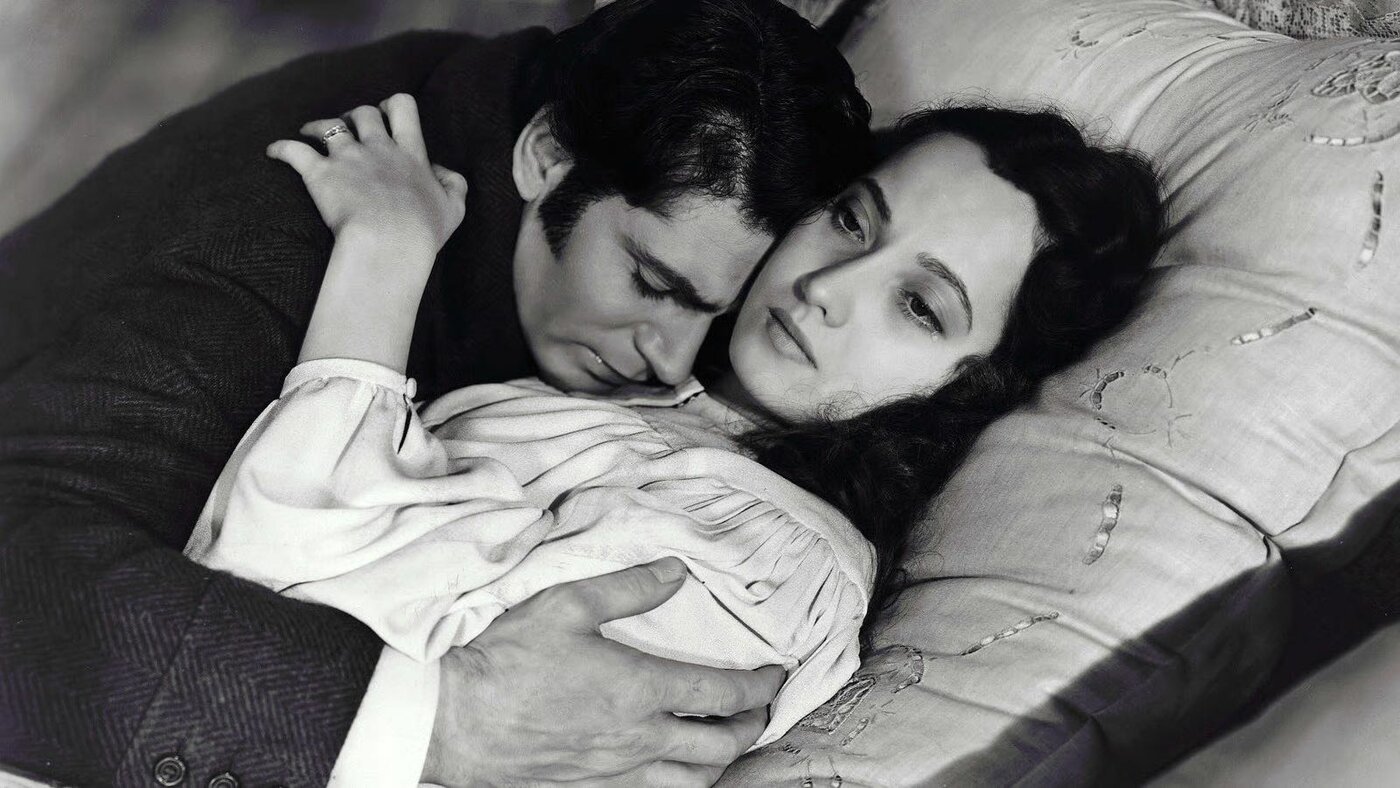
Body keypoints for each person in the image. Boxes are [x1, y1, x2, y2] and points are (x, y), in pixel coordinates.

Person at [0, 2, 870, 786]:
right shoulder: (287, 230)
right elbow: (22, 591)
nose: (672, 361)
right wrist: (442, 719)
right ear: (546, 156)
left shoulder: (524, 111)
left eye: (715, 318)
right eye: (651, 282)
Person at [187, 97, 1164, 786]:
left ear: (971, 387)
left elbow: (268, 578)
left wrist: (385, 251)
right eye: (849, 220)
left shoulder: (771, 562)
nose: (828, 287)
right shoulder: (631, 393)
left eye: (917, 305)